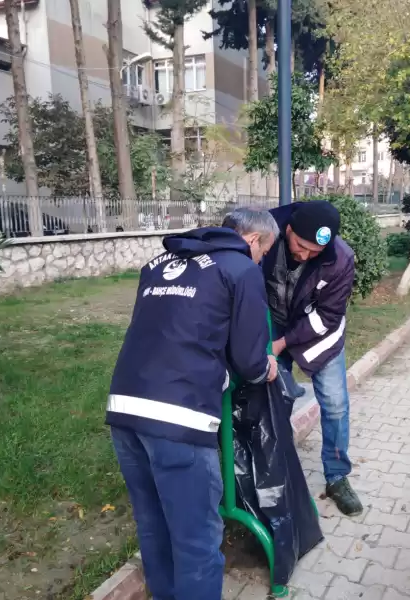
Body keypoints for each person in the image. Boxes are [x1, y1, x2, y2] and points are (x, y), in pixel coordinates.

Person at [106, 208, 280, 600]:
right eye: (264, 252)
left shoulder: (158, 262)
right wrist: (265, 369)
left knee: (153, 525)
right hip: (178, 418)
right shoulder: (239, 268)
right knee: (197, 538)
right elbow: (249, 359)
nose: (261, 260)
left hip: (124, 408)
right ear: (253, 240)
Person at [262, 200, 363, 517]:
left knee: (334, 403)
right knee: (272, 399)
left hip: (319, 333)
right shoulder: (266, 232)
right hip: (272, 322)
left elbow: (329, 317)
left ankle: (337, 476)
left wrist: (285, 343)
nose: (304, 255)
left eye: (313, 252)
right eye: (300, 246)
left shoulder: (340, 259)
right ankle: (272, 474)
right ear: (288, 230)